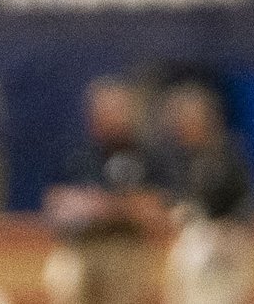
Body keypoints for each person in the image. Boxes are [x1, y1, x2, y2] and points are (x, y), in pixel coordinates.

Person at [45, 79, 173, 304]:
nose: (109, 116)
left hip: (126, 249)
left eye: (116, 109)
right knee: (62, 277)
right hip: (80, 246)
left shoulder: (148, 155)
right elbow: (57, 207)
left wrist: (101, 205)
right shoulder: (76, 154)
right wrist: (122, 205)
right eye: (103, 110)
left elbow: (157, 211)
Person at [159, 83, 254, 304]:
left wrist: (230, 226)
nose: (184, 125)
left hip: (228, 238)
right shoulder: (175, 156)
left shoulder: (228, 153)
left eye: (191, 118)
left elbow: (250, 198)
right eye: (181, 120)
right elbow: (170, 200)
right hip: (191, 236)